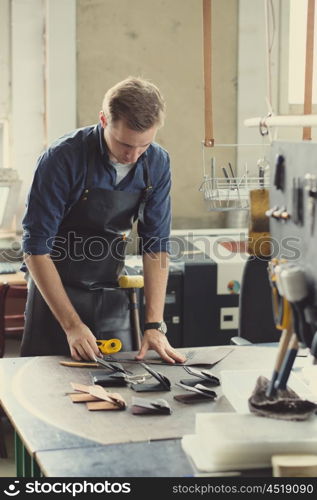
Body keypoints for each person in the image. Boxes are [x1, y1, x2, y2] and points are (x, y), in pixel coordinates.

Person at [21, 76, 186, 365]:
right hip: (54, 289)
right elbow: (36, 250)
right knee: (47, 383)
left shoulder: (157, 162)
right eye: (124, 144)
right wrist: (71, 326)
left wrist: (154, 326)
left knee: (118, 384)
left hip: (110, 287)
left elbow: (156, 246)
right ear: (103, 120)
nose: (133, 156)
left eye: (144, 146)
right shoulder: (62, 158)